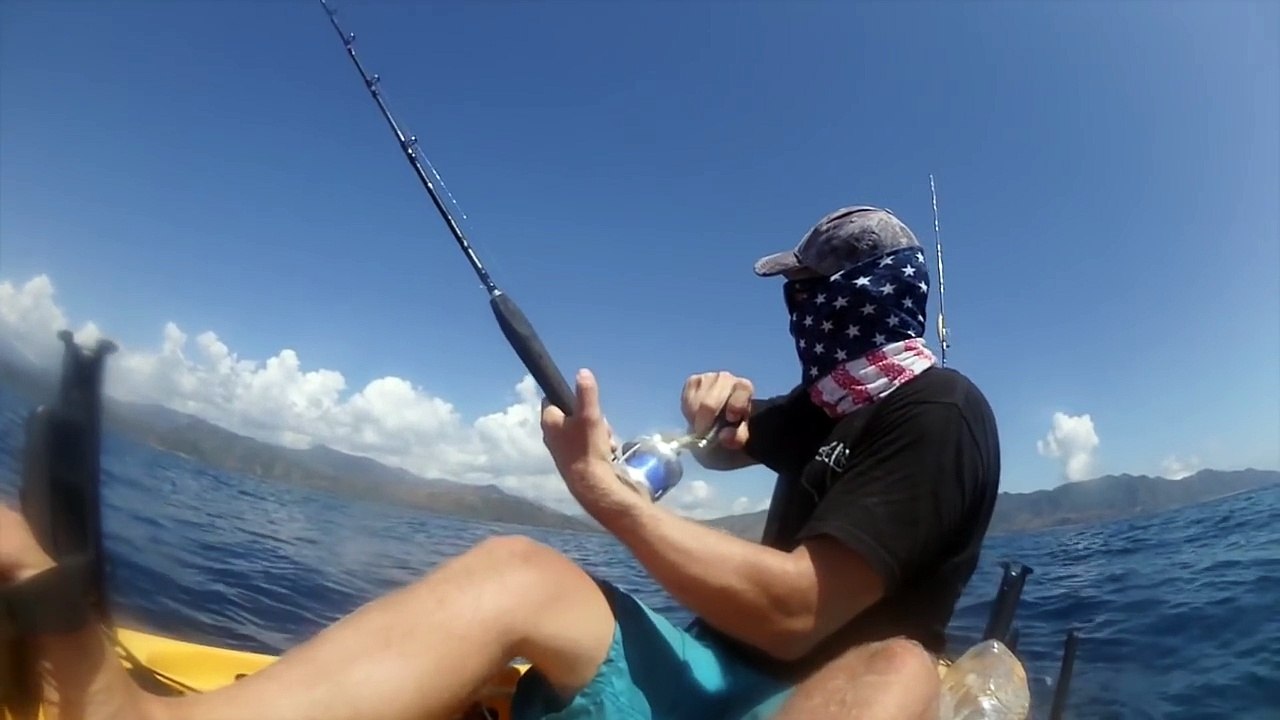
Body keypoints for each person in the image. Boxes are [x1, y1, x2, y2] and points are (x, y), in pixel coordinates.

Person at [0, 205, 1000, 720]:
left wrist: (611, 501)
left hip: (821, 697)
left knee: (898, 671)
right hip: (705, 672)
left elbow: (797, 609)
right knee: (519, 567)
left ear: (858, 295)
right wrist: (716, 407)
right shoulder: (829, 406)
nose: (794, 310)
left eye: (809, 288)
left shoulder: (939, 415)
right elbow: (740, 439)